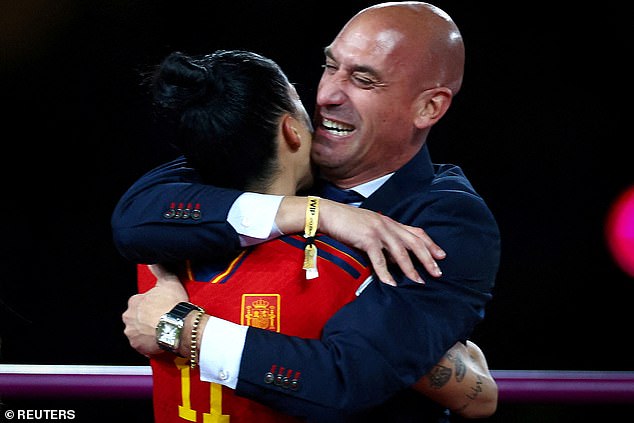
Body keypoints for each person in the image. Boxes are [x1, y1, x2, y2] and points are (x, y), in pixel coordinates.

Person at [115, 2, 501, 421]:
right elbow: (136, 215)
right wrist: (312, 211)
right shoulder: (279, 153)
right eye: (329, 66)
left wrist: (183, 330)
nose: (328, 95)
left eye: (363, 80)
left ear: (429, 108)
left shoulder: (449, 222)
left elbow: (345, 379)